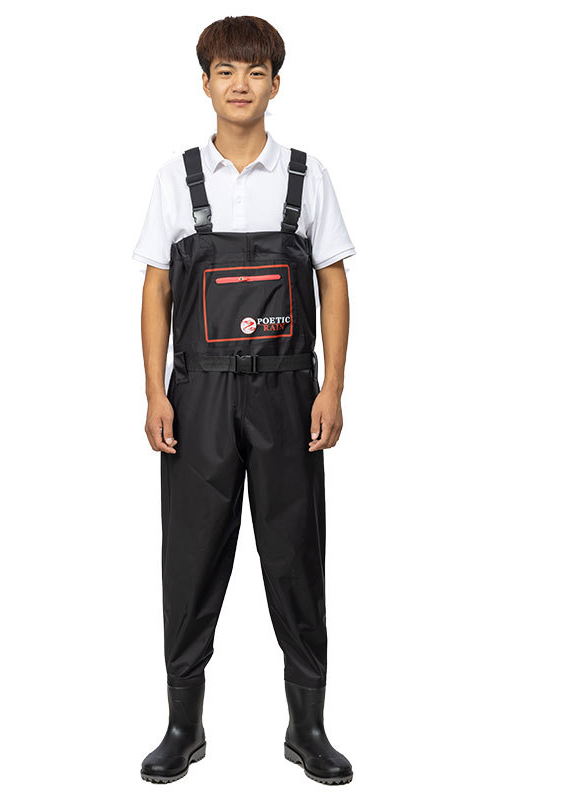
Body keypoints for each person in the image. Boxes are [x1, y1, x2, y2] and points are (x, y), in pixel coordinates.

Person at [133, 16, 355, 785]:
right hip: (198, 394)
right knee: (191, 558)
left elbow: (333, 281)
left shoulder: (306, 176)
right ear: (205, 83)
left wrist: (332, 385)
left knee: (295, 555)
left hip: (288, 391)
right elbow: (156, 289)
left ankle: (308, 727)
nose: (240, 84)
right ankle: (182, 725)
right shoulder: (177, 178)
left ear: (275, 85)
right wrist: (155, 391)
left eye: (255, 72)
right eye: (226, 71)